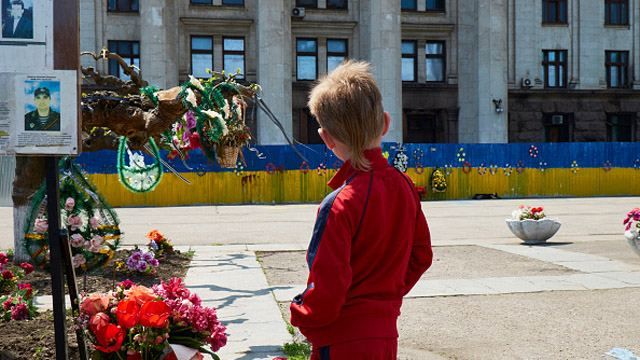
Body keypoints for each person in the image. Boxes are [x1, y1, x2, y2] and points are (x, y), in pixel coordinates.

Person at [290, 61, 433, 360]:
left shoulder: (339, 203)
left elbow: (328, 288)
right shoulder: (405, 187)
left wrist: (301, 313)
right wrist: (385, 300)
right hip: (384, 335)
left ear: (326, 139)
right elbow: (421, 255)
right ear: (385, 123)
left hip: (341, 340)